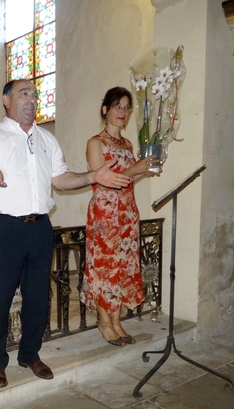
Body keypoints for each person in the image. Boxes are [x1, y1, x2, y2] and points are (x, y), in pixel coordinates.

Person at [0, 79, 132, 388]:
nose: (31, 98)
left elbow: (60, 180)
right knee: (0, 297)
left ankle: (30, 353)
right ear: (6, 100)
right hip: (6, 227)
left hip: (40, 226)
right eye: (23, 93)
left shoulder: (47, 139)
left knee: (37, 297)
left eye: (34, 93)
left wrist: (93, 176)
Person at [79, 86, 156, 346]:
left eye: (126, 107)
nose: (122, 112)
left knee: (122, 266)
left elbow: (129, 178)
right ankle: (104, 322)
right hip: (105, 213)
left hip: (126, 212)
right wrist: (136, 168)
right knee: (104, 268)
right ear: (105, 110)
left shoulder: (127, 144)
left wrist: (147, 170)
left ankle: (117, 322)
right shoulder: (95, 142)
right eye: (117, 107)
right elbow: (104, 180)